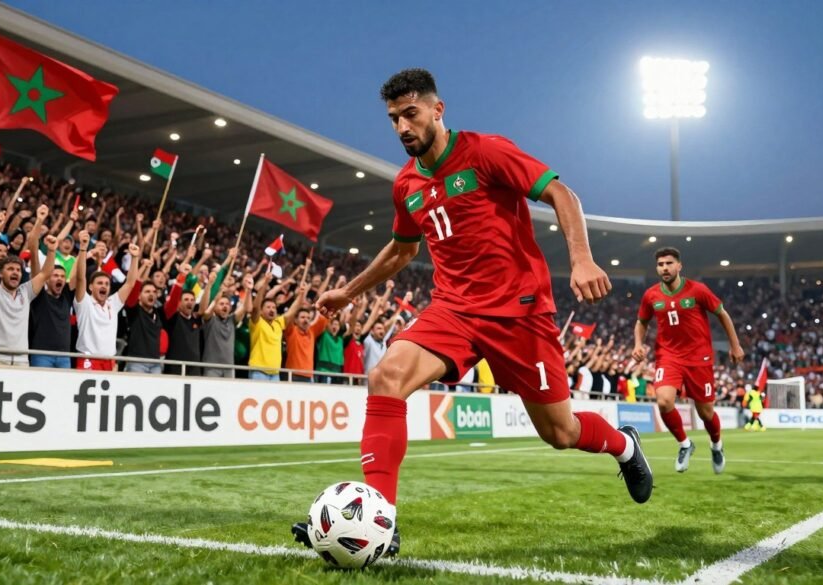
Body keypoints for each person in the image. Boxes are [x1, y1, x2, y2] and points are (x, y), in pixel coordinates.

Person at [292, 69, 653, 555]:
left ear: (437, 110)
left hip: (519, 313)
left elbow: (561, 194)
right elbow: (402, 249)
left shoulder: (486, 152)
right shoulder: (406, 184)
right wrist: (348, 292)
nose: (402, 127)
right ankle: (381, 522)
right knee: (386, 377)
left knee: (561, 432)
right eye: (394, 118)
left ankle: (625, 445)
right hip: (454, 311)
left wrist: (582, 258)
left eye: (411, 114)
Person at [632, 247, 745, 473]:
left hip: (699, 358)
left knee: (706, 413)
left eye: (669, 263)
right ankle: (685, 444)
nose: (665, 268)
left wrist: (735, 345)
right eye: (660, 264)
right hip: (668, 356)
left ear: (679, 266)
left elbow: (722, 314)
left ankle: (716, 445)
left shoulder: (697, 290)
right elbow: (641, 322)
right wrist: (637, 344)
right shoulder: (651, 295)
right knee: (664, 401)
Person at [0, 209, 57, 366]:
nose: (15, 272)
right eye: (10, 269)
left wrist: (52, 250)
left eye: (18, 270)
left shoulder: (25, 292)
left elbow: (45, 274)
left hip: (21, 360)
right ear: (0, 273)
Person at [73, 230, 142, 371]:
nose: (104, 286)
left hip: (109, 361)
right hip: (88, 359)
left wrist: (135, 258)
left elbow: (130, 283)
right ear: (90, 287)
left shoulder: (113, 303)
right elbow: (80, 277)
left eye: (106, 284)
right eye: (99, 283)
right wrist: (83, 249)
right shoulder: (84, 302)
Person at [249, 259, 305, 381]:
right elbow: (255, 307)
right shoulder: (257, 321)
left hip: (275, 373)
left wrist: (301, 295)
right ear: (262, 311)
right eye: (268, 307)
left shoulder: (279, 322)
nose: (272, 310)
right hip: (258, 372)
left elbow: (292, 310)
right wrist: (265, 283)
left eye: (274, 307)